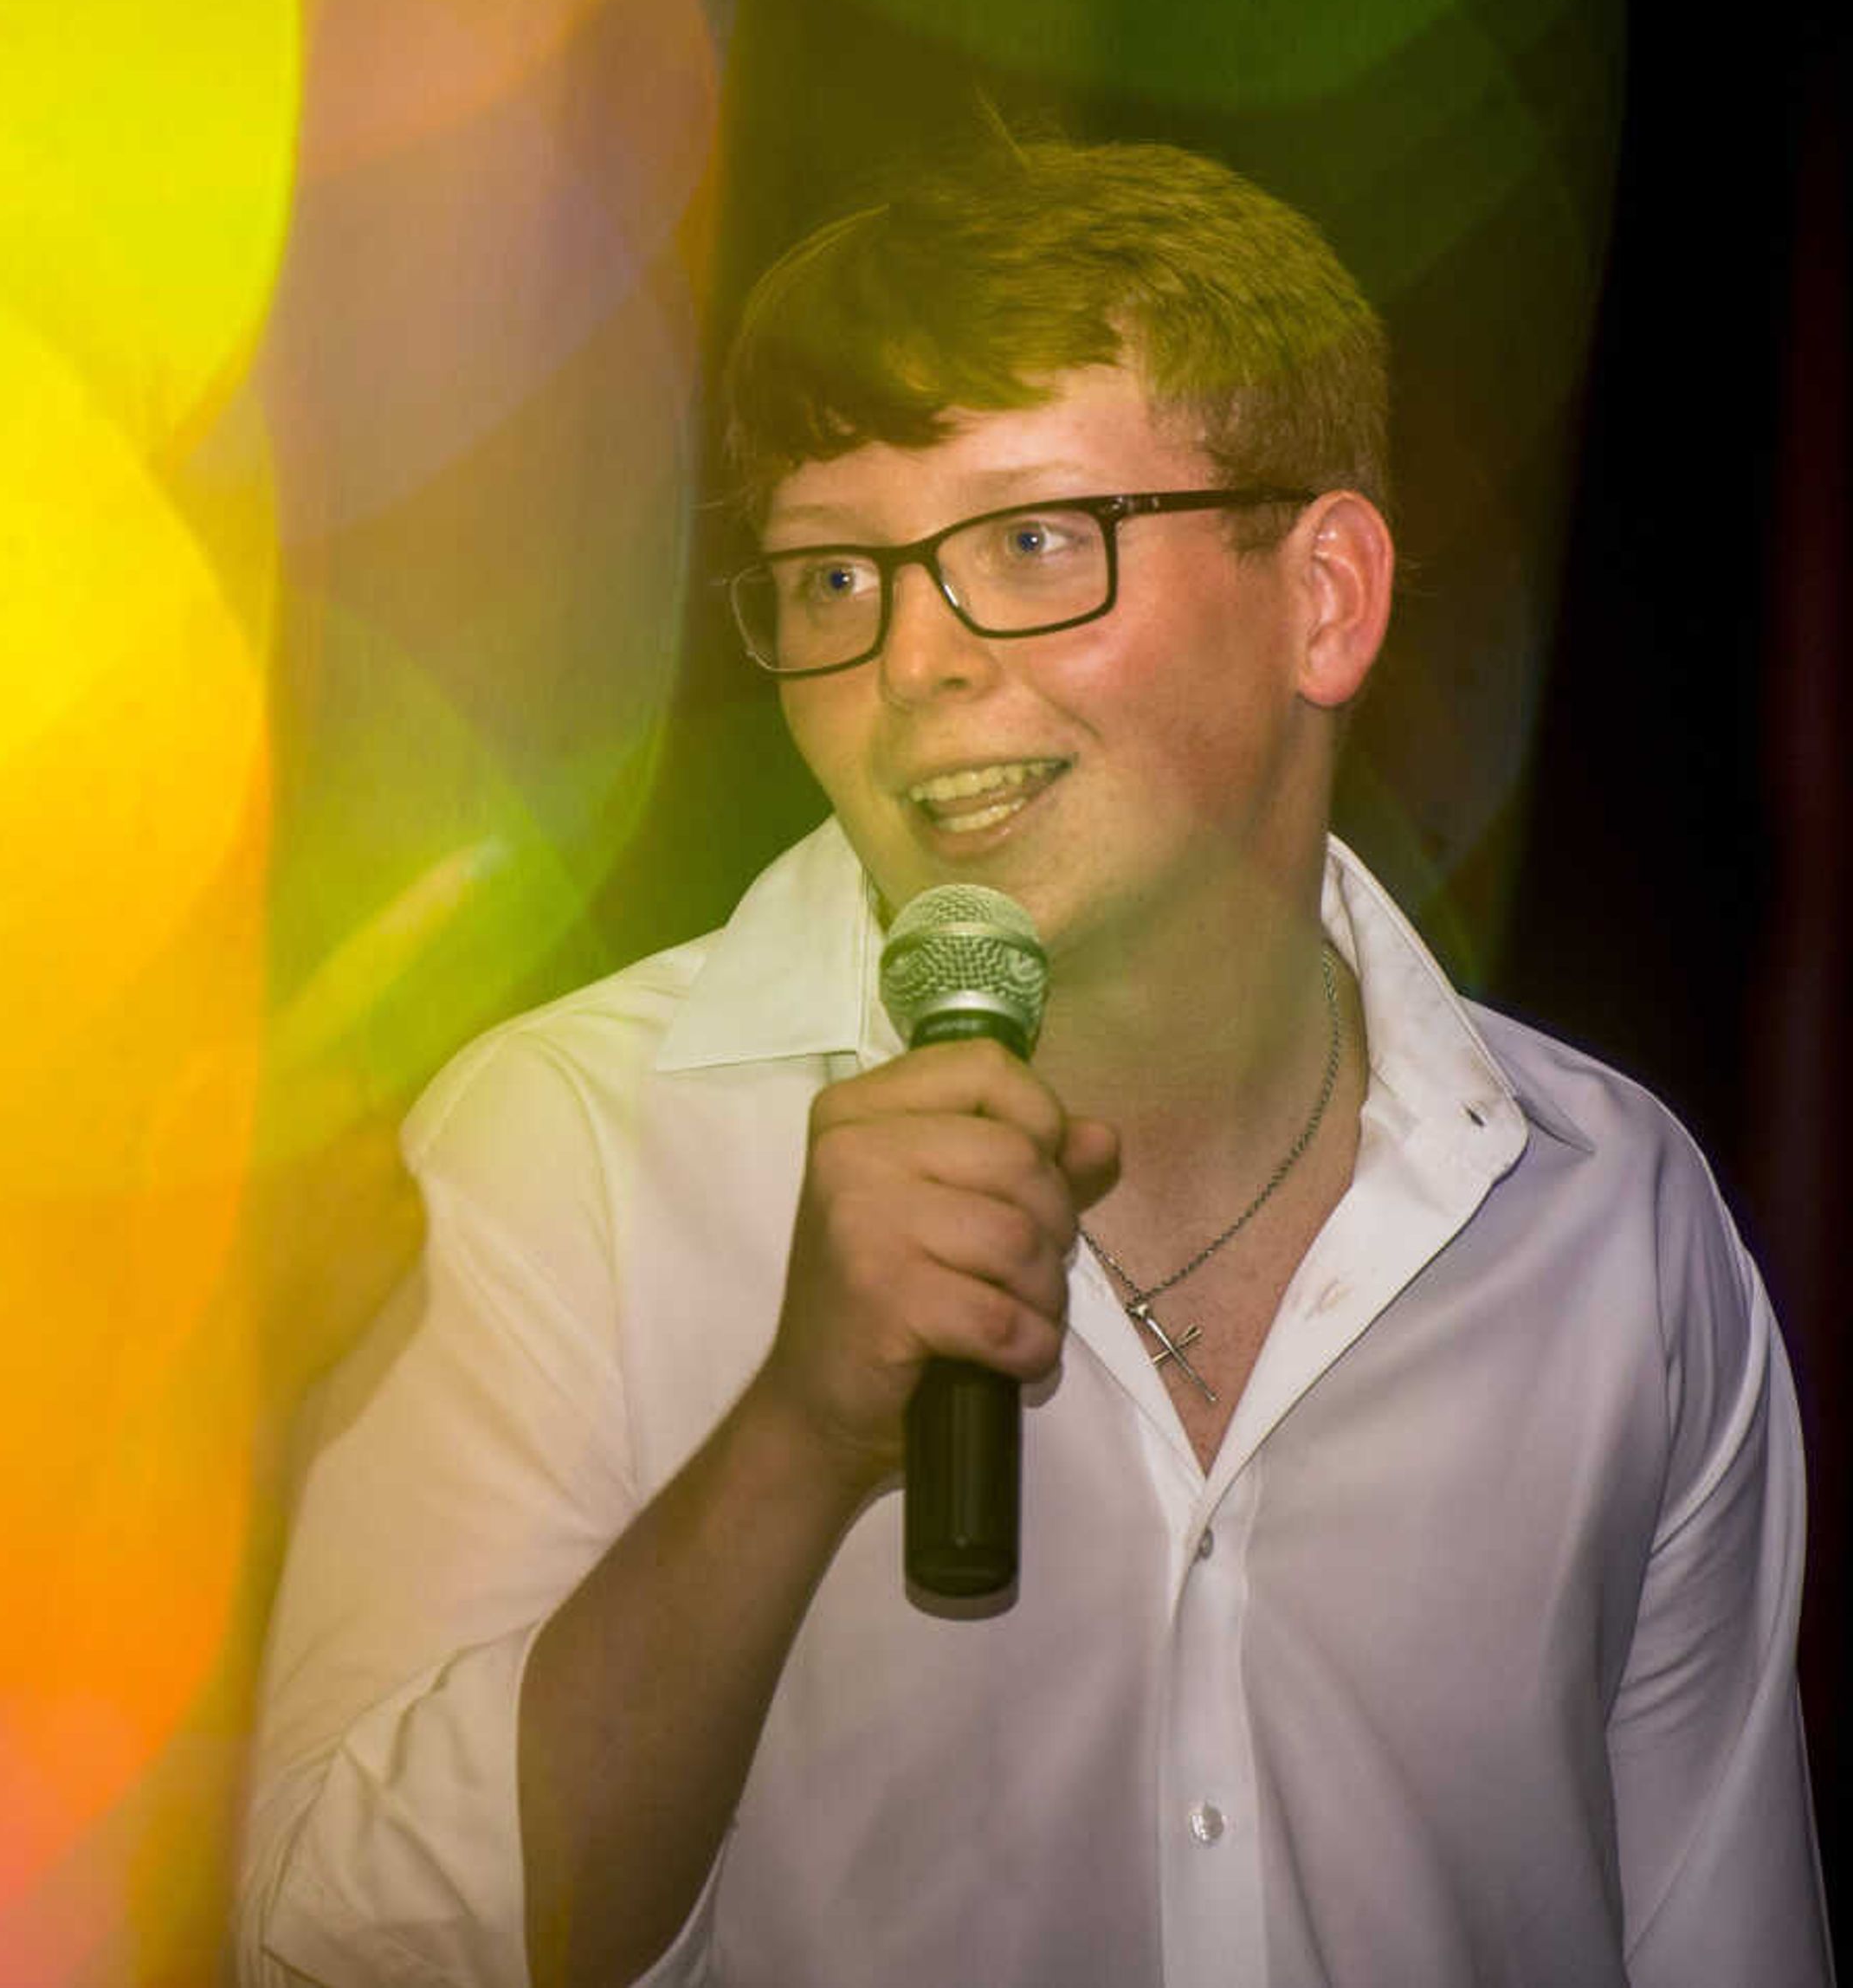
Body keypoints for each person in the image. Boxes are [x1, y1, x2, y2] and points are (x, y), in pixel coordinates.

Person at [236, 138, 1830, 1987]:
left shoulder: (1605, 1210)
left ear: (1325, 596)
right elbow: (339, 1954)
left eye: (1028, 545)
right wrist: (798, 1435)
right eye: (833, 577)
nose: (912, 655)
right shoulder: (570, 1149)